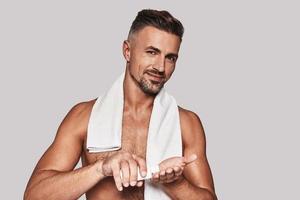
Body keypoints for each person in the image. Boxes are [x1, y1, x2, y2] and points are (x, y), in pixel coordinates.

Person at [24, 9, 217, 200]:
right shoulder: (83, 117)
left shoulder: (187, 123)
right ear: (127, 51)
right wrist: (101, 168)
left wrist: (176, 183)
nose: (160, 67)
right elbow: (34, 196)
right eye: (152, 52)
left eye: (170, 58)